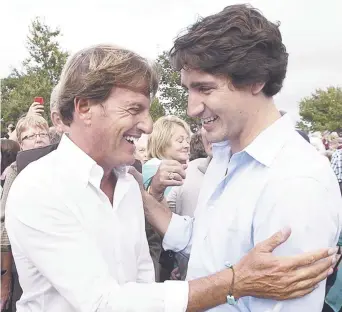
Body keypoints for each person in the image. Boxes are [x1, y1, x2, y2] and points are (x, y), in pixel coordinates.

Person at [5, 44, 338, 312]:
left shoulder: (125, 183)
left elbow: (143, 281)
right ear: (84, 108)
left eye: (204, 88)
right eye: (134, 110)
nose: (149, 126)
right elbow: (101, 303)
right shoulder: (40, 189)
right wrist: (234, 282)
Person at [140, 4, 342, 311]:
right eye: (189, 90)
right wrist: (141, 198)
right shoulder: (225, 155)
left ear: (255, 80)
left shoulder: (296, 183)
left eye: (205, 88)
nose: (192, 108)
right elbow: (210, 245)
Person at [1, 114, 51, 312]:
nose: (38, 138)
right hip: (26, 260)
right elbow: (4, 220)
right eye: (31, 136)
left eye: (42, 134)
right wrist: (5, 278)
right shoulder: (15, 170)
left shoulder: (60, 166)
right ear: (20, 144)